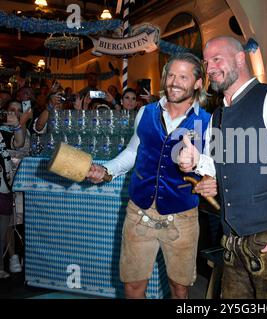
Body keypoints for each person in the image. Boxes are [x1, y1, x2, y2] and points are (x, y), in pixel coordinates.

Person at [179, 36, 267, 299]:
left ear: (241, 58)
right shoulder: (218, 114)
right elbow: (221, 164)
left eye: (217, 59)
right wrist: (197, 161)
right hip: (233, 242)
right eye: (207, 63)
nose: (210, 69)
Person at [86, 52, 211, 299]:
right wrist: (107, 170)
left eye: (183, 77)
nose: (174, 82)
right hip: (138, 211)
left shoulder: (208, 122)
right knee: (132, 286)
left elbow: (213, 168)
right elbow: (134, 151)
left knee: (180, 288)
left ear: (198, 83)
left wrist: (200, 168)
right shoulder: (146, 112)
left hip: (182, 216)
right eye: (171, 75)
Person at [0, 110, 25, 279]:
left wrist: (16, 124)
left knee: (1, 229)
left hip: (2, 185)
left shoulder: (2, 131)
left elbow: (20, 142)